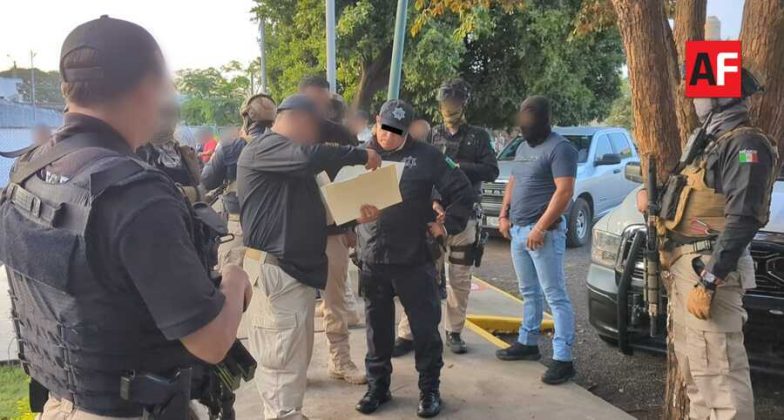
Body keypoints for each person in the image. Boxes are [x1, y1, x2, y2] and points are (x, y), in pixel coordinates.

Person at [0, 16, 251, 418]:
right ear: (149, 88)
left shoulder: (27, 169)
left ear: (67, 88)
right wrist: (235, 282)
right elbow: (210, 342)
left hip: (59, 404)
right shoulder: (136, 194)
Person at [636, 69, 778, 419]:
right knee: (697, 373)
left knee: (720, 377)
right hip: (688, 268)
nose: (696, 101)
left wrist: (710, 281)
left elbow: (744, 217)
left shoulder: (746, 145)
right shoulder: (710, 141)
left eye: (702, 93)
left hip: (710, 272)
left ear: (722, 98)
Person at [237, 94, 382, 419]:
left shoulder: (290, 161)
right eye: (315, 128)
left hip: (294, 275)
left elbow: (317, 214)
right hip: (276, 274)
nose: (317, 137)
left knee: (292, 367)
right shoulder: (266, 148)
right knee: (281, 372)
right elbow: (311, 156)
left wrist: (355, 216)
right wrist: (362, 154)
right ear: (300, 120)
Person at [355, 99, 476, 418]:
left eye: (396, 131)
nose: (388, 136)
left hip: (413, 257)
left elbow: (463, 191)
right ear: (376, 121)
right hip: (373, 257)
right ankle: (378, 387)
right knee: (377, 330)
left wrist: (446, 225)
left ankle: (429, 390)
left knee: (424, 330)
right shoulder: (360, 155)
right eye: (384, 129)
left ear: (408, 129)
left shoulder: (427, 156)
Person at [394, 78, 499, 357]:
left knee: (460, 278)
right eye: (445, 102)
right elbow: (418, 172)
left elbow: (491, 170)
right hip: (434, 214)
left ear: (464, 104)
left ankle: (454, 331)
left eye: (454, 102)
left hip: (465, 215)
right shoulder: (432, 135)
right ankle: (407, 332)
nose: (449, 107)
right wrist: (432, 201)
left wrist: (457, 167)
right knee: (422, 275)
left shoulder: (478, 136)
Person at [495, 96, 578, 386]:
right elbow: (514, 181)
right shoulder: (522, 146)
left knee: (555, 295)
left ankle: (563, 359)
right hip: (518, 231)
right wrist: (504, 214)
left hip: (544, 234)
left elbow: (564, 192)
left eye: (531, 119)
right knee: (528, 291)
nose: (525, 125)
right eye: (523, 119)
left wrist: (540, 227)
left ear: (545, 119)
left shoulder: (561, 148)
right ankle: (528, 342)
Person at [298, 75, 367, 385]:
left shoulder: (340, 135)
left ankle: (340, 360)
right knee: (296, 307)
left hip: (333, 230)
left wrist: (350, 226)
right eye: (312, 100)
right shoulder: (284, 136)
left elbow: (353, 180)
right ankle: (296, 368)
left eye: (322, 100)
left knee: (335, 301)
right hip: (295, 233)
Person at [202, 93, 277, 268]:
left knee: (231, 280)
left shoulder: (230, 147)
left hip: (239, 230)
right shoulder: (284, 146)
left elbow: (207, 180)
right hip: (274, 232)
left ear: (246, 118)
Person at [136, 101, 203, 203]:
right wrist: (191, 193)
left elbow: (201, 189)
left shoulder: (183, 152)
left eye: (171, 116)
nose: (167, 123)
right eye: (162, 116)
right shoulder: (139, 153)